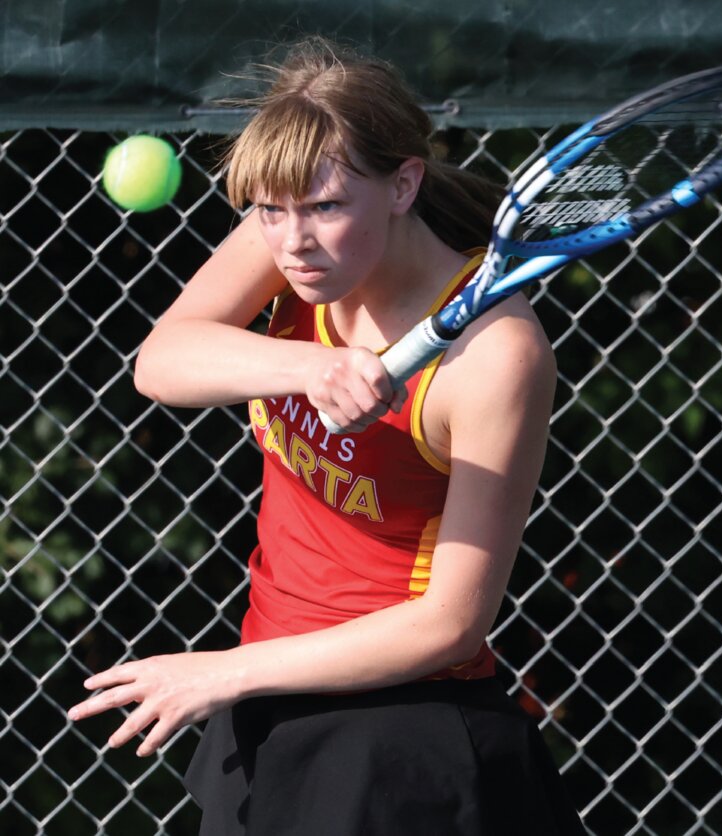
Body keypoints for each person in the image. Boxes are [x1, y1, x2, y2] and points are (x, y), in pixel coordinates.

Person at [68, 37, 587, 835]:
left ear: (403, 184)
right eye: (271, 211)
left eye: (325, 208)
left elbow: (451, 621)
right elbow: (161, 363)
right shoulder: (291, 243)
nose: (293, 238)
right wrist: (306, 365)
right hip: (272, 694)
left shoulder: (497, 354)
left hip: (400, 735)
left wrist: (227, 672)